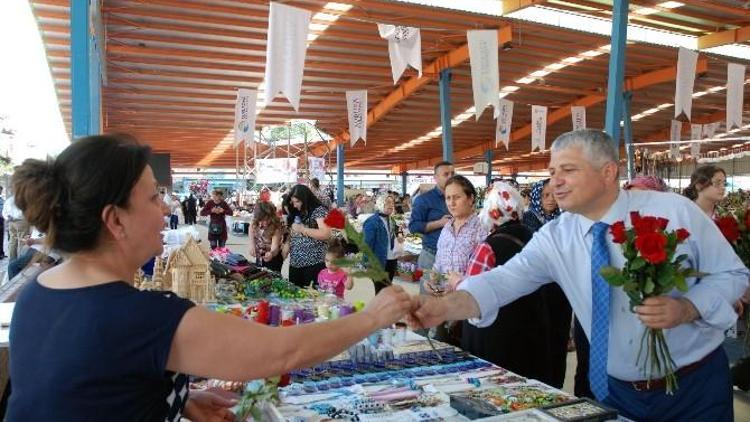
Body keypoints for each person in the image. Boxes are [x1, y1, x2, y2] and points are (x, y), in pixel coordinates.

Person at [6, 134, 415, 421]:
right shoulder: (142, 316)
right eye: (153, 197)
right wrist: (372, 317)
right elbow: (281, 352)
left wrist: (177, 397)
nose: (166, 209)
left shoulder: (36, 295)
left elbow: (85, 388)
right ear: (115, 220)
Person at [409, 129, 748, 421]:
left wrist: (688, 307)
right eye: (553, 170)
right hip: (616, 391)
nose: (555, 181)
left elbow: (734, 274)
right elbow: (501, 282)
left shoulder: (672, 211)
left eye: (568, 170)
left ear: (607, 172)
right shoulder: (557, 236)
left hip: (694, 386)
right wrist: (445, 307)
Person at [454, 182, 549, 382]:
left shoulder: (488, 247)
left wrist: (457, 282)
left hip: (493, 339)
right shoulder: (533, 237)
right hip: (528, 334)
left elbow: (472, 293)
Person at [522, 179, 571, 389]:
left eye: (554, 195)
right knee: (539, 336)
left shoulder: (566, 219)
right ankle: (539, 384)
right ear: (536, 197)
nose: (551, 200)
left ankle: (556, 384)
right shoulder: (529, 220)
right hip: (537, 288)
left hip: (561, 287)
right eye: (545, 195)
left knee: (558, 337)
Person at [408, 161, 454, 284]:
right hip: (431, 255)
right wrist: (440, 223)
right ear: (436, 178)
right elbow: (413, 226)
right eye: (446, 174)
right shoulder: (424, 200)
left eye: (452, 173)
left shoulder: (458, 197)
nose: (451, 177)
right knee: (429, 296)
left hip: (453, 257)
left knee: (449, 297)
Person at [287, 184, 331, 288]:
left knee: (311, 299)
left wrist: (303, 229)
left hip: (313, 264)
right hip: (295, 263)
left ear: (305, 198)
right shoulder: (299, 211)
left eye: (297, 201)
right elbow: (293, 233)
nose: (294, 205)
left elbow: (326, 233)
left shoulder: (319, 210)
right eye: (293, 202)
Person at [363, 193, 402, 290]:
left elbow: (393, 236)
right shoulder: (372, 222)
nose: (391, 205)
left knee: (387, 289)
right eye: (388, 202)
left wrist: (399, 236)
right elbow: (366, 244)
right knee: (380, 290)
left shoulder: (391, 220)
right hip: (378, 262)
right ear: (380, 203)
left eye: (392, 203)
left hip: (391, 260)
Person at [248, 201, 283, 272]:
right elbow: (251, 230)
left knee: (272, 278)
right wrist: (252, 245)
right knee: (259, 276)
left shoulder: (276, 227)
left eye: (267, 219)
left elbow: (275, 247)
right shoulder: (254, 221)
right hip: (260, 256)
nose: (265, 223)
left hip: (273, 259)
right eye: (261, 220)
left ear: (271, 217)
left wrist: (271, 253)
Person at [2, 194, 29, 261]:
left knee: (12, 241)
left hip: (11, 221)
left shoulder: (9, 200)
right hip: (21, 221)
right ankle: (19, 261)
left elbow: (4, 212)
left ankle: (12, 260)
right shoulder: (23, 199)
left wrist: (7, 218)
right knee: (22, 242)